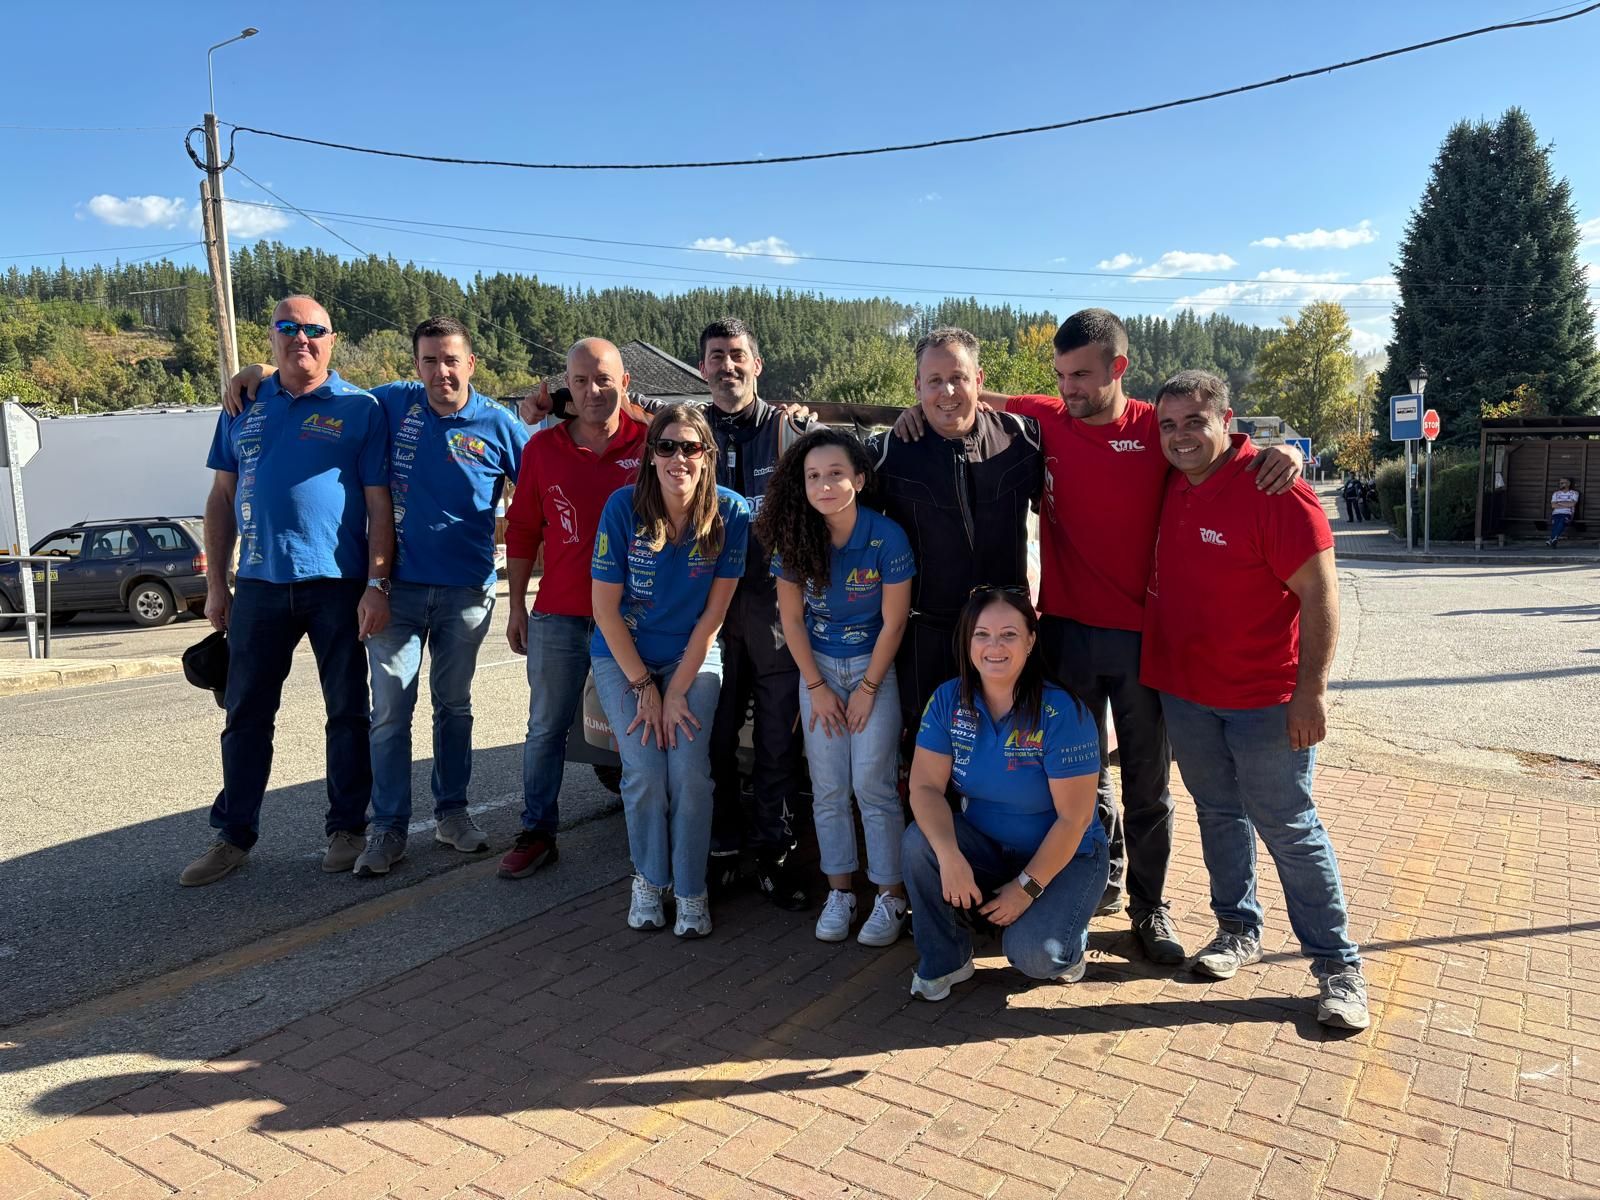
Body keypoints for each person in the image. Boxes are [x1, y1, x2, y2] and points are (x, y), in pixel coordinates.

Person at [891, 310, 1302, 968]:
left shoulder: (1156, 428)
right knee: (1080, 773)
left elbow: (1218, 446)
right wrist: (912, 412)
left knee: (1148, 783)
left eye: (1081, 375)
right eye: (1060, 376)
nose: (1068, 389)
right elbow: (968, 395)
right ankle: (1095, 881)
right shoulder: (1049, 418)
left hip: (1144, 639)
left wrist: (1286, 452)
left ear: (1119, 368)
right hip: (1065, 632)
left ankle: (1149, 905)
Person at [223, 318, 531, 876]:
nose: (441, 371)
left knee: (453, 706)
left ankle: (452, 813)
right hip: (396, 590)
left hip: (467, 591)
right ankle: (388, 827)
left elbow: (540, 486)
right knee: (388, 713)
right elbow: (318, 377)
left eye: (451, 360)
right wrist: (261, 369)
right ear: (416, 366)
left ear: (471, 364)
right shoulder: (390, 402)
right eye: (430, 360)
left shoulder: (498, 423)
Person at [1143, 369, 1367, 1030]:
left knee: (1289, 827)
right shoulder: (1170, 481)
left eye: (1194, 421)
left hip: (1266, 700)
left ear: (1226, 419)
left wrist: (1312, 692)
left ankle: (1338, 967)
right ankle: (1237, 929)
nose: (1180, 436)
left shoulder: (1275, 490)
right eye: (1168, 424)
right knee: (1218, 814)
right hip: (1187, 694)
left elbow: (1321, 595)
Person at [182, 295, 392, 887]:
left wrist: (377, 584)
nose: (302, 338)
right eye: (288, 327)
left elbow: (379, 505)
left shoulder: (361, 408)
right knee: (246, 714)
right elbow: (222, 498)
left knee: (347, 712)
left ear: (332, 339)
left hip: (338, 584)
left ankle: (347, 827)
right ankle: (233, 835)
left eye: (314, 330)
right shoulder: (243, 403)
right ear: (272, 336)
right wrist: (216, 584)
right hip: (259, 584)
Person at [589, 403, 750, 937]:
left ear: (708, 455)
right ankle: (650, 880)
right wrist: (645, 688)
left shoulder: (730, 513)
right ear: (651, 455)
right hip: (623, 655)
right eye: (667, 447)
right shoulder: (622, 507)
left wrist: (676, 690)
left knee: (689, 774)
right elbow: (605, 609)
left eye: (690, 447)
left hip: (692, 655)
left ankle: (691, 889)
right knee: (643, 771)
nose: (679, 457)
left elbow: (713, 618)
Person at [901, 587, 1104, 1001]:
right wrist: (949, 855)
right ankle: (946, 959)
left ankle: (1069, 942)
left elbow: (1075, 819)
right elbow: (924, 787)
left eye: (1008, 635)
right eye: (982, 635)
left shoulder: (1063, 712)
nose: (994, 646)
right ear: (967, 641)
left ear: (1030, 641)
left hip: (1068, 857)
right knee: (919, 842)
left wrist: (1026, 888)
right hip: (988, 847)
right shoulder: (947, 700)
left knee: (1035, 956)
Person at [757, 428, 914, 946]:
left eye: (836, 474)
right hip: (819, 671)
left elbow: (894, 622)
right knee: (828, 788)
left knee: (873, 786)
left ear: (860, 479)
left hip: (873, 670)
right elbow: (791, 621)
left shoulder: (886, 537)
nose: (824, 485)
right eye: (813, 476)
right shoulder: (796, 537)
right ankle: (840, 892)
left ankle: (890, 896)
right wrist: (817, 686)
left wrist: (868, 688)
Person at [500, 339, 649, 879]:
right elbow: (522, 531)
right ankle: (538, 831)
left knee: (639, 730)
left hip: (633, 617)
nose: (592, 391)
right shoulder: (542, 449)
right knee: (546, 729)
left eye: (604, 379)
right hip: (559, 615)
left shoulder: (653, 446)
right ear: (568, 386)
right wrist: (517, 607)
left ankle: (650, 842)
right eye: (581, 381)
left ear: (624, 383)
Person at [871, 327, 1043, 746]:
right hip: (927, 637)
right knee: (929, 749)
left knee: (1010, 745)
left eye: (958, 378)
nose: (947, 391)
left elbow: (1077, 420)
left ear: (978, 380)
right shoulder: (888, 452)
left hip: (1005, 633)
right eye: (934, 381)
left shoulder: (1022, 439)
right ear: (917, 386)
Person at [1550, 477, 1580, 546]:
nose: (1560, 484)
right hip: (1556, 513)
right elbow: (1553, 505)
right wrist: (1567, 504)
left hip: (1568, 513)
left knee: (1562, 522)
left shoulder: (1574, 493)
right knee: (1555, 524)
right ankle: (1554, 539)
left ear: (1568, 484)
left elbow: (1572, 504)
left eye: (1562, 483)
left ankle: (1552, 539)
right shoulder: (1556, 493)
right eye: (1560, 483)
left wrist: (1559, 503)